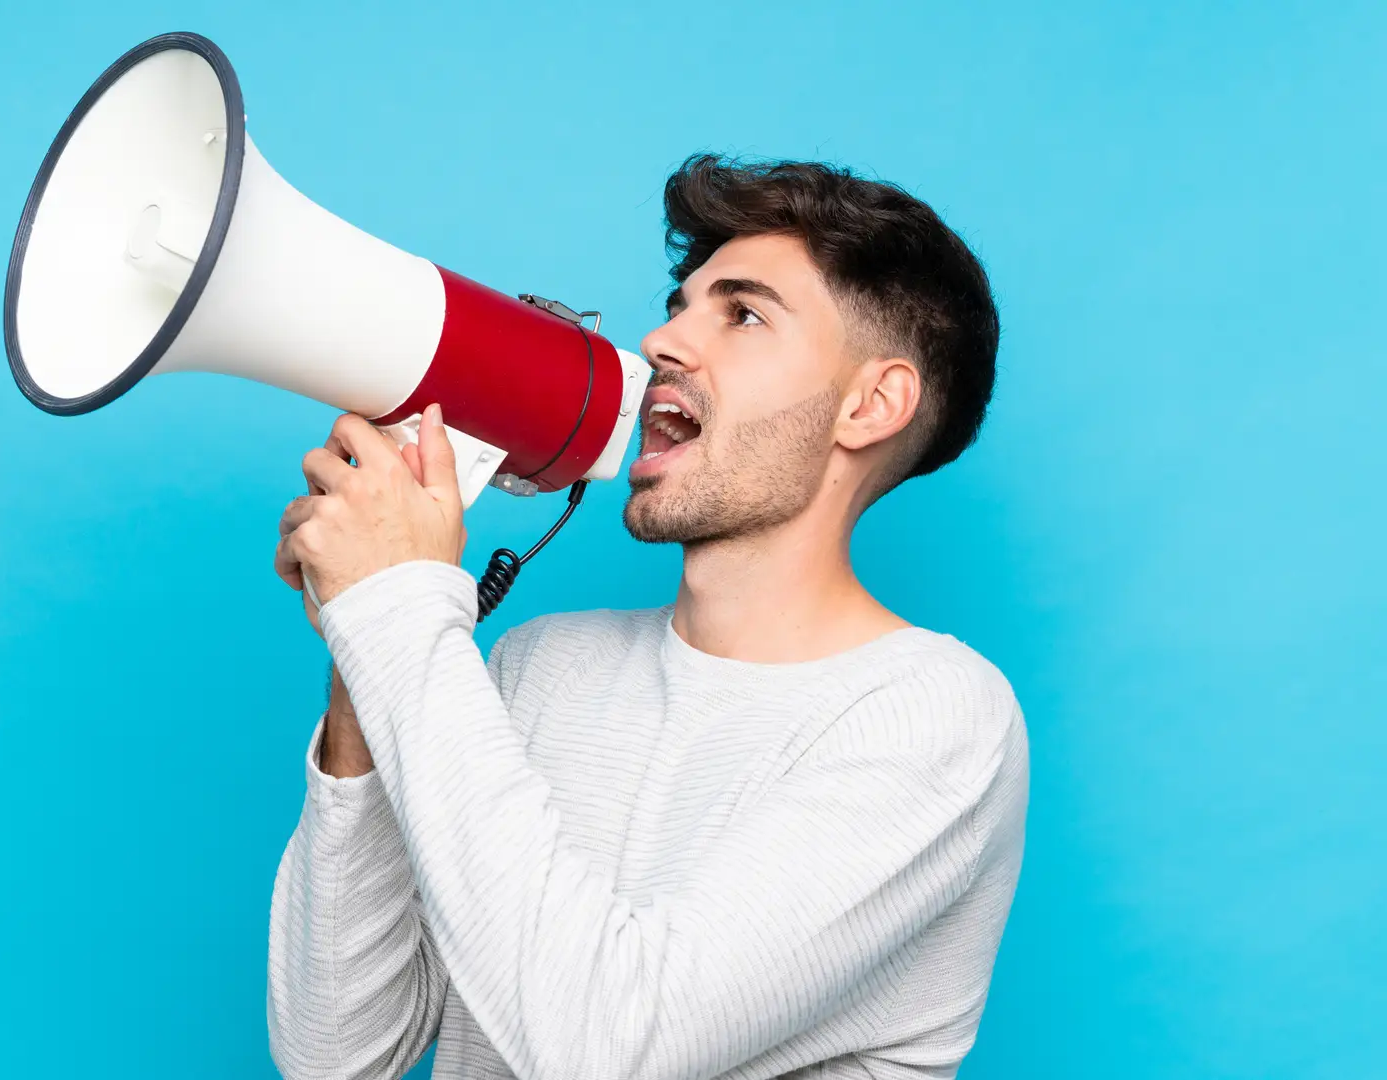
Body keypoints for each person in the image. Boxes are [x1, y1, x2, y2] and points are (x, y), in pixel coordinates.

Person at [265, 155, 1027, 1080]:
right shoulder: (537, 665)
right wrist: (364, 634)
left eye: (742, 314)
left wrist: (401, 608)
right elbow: (337, 1054)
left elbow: (611, 1046)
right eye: (682, 303)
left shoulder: (934, 718)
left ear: (870, 405)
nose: (663, 340)